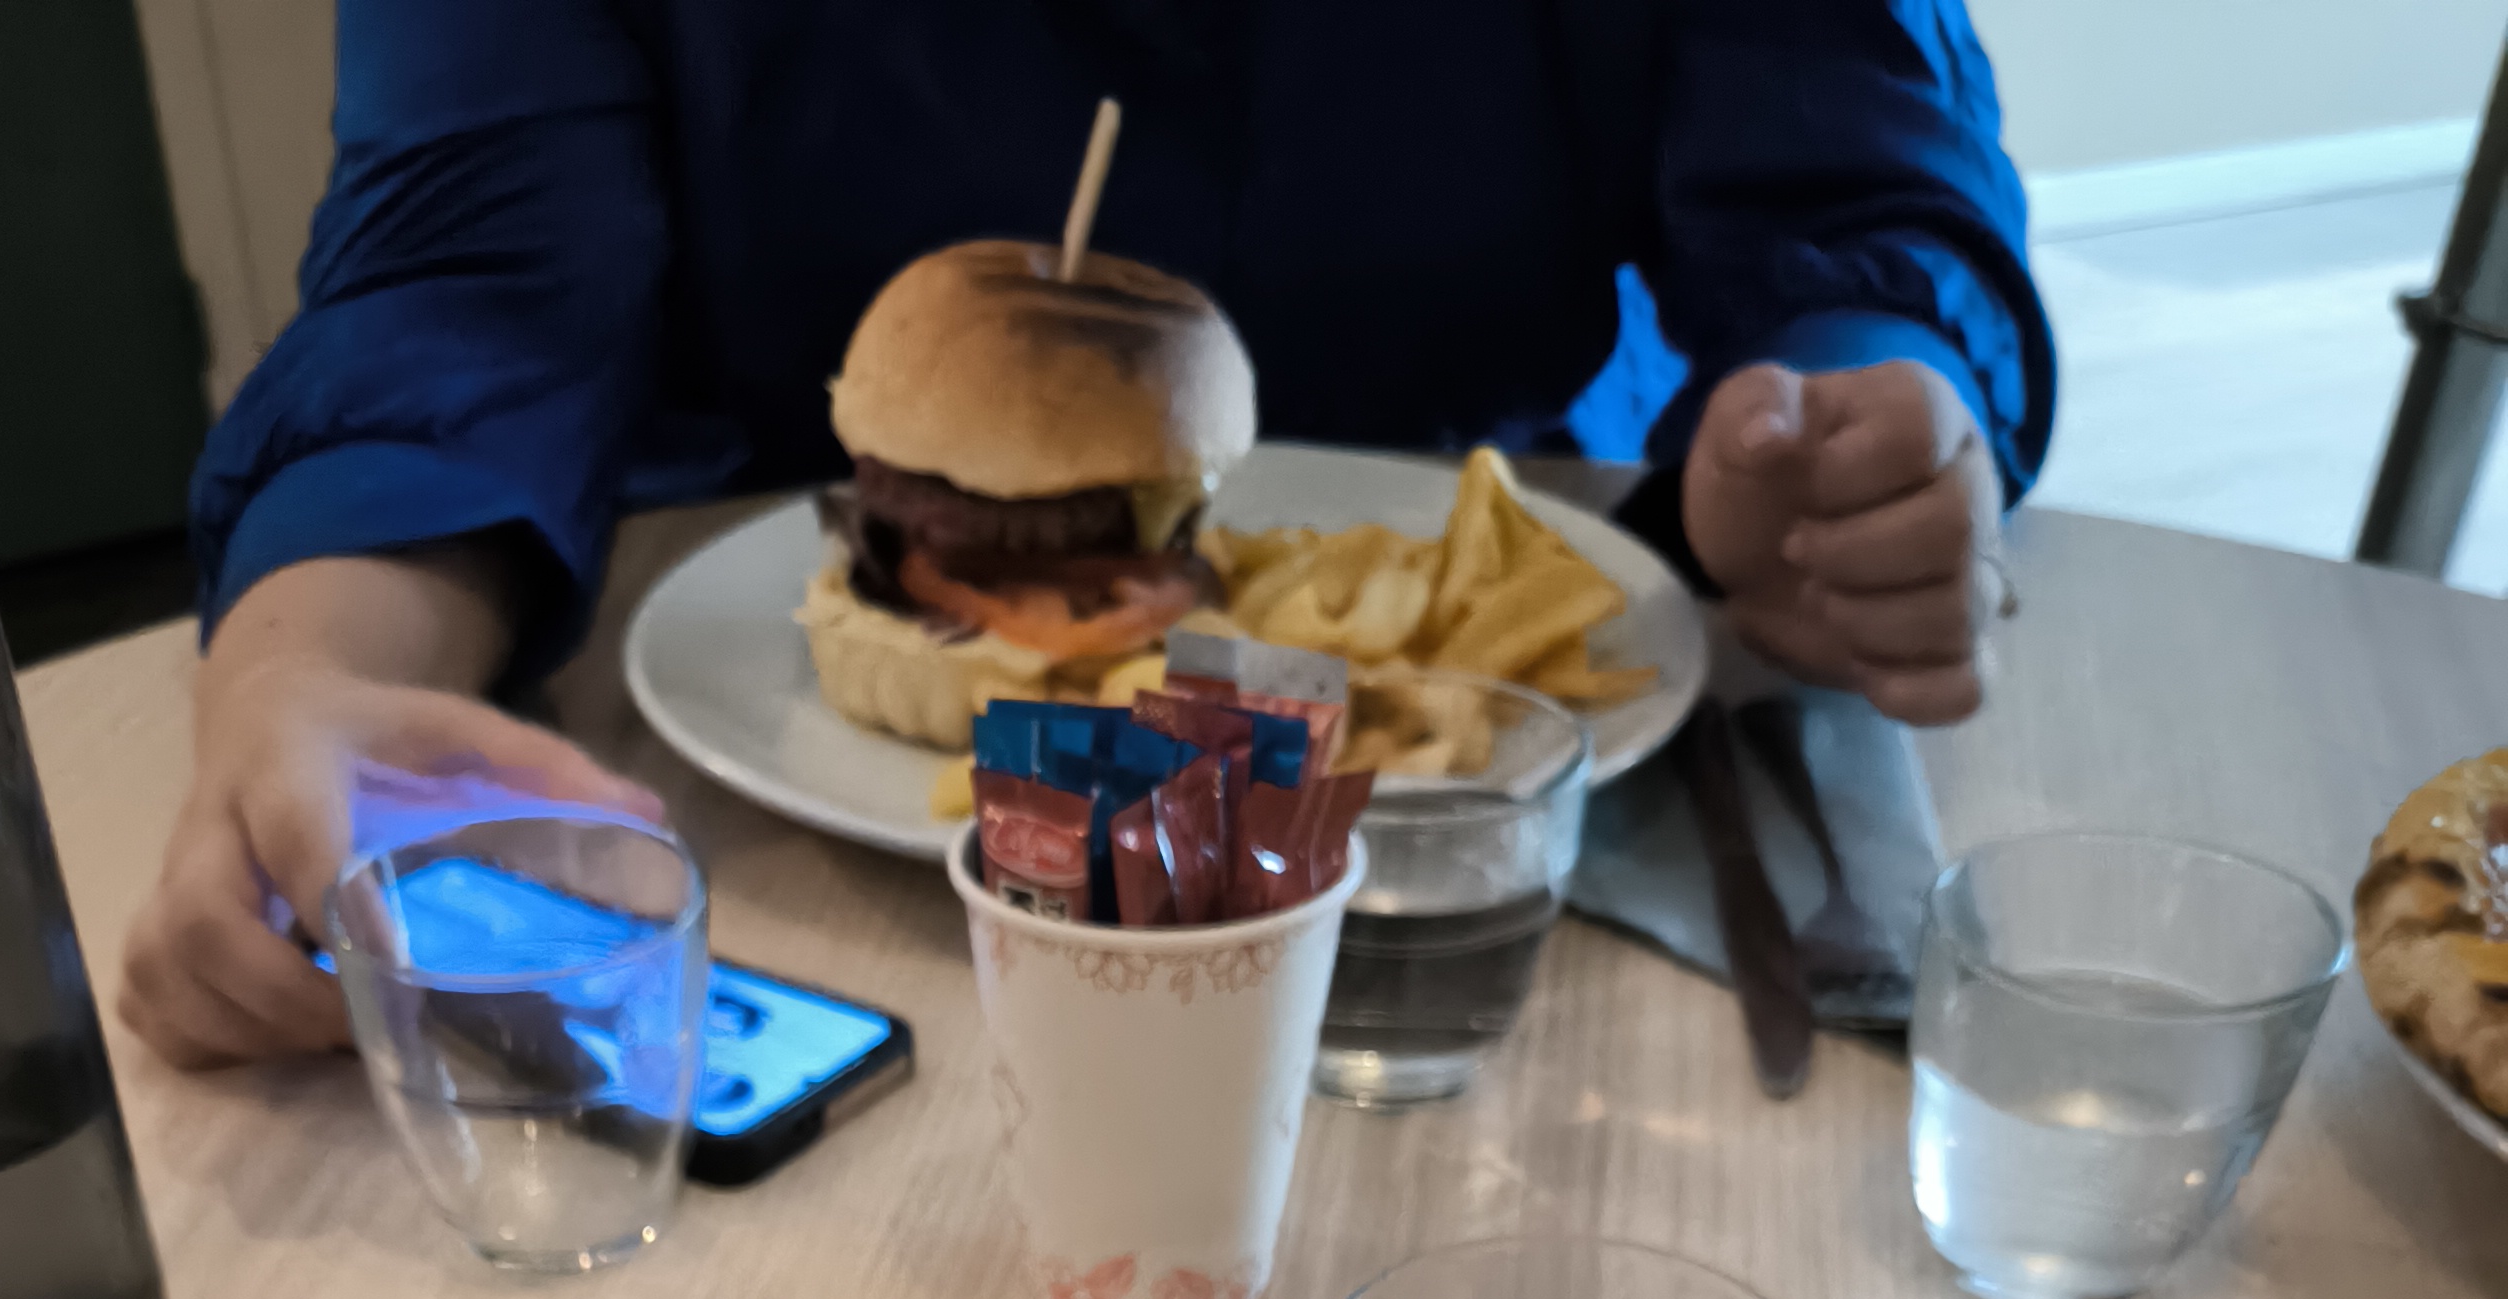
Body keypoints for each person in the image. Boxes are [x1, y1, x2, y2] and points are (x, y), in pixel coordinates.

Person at [121, 0, 2049, 1069]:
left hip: (1508, 872)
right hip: (775, 882)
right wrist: (315, 668)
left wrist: (1853, 424)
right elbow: (464, 292)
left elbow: (1859, 178)